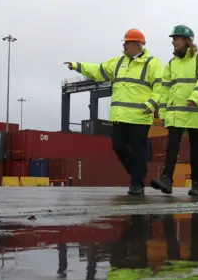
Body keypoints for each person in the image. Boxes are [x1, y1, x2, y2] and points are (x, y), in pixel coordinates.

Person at [64, 29, 163, 196]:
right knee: (118, 146)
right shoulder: (117, 63)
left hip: (140, 116)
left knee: (138, 150)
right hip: (119, 115)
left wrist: (152, 104)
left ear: (138, 44)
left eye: (127, 42)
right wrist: (78, 66)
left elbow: (161, 87)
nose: (123, 45)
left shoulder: (153, 63)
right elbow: (98, 70)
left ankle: (137, 183)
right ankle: (137, 174)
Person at [151, 25, 198, 196]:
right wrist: (162, 114)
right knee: (172, 147)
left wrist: (195, 97)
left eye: (176, 38)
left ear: (187, 41)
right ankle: (166, 179)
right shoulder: (171, 64)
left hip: (195, 112)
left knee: (196, 150)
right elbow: (165, 90)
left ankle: (196, 185)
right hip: (176, 113)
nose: (173, 42)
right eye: (173, 39)